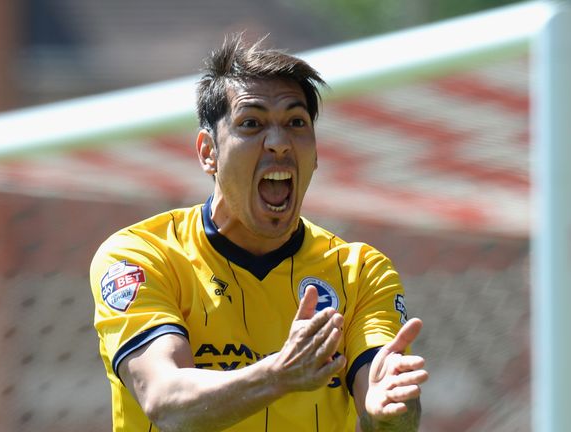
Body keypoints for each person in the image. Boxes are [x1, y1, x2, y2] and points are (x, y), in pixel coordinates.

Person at [90, 33, 428, 432]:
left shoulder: (360, 272)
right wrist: (278, 375)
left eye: (296, 122)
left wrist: (389, 409)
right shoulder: (141, 256)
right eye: (251, 123)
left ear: (316, 153)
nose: (279, 143)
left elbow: (383, 398)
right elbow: (165, 400)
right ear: (207, 152)